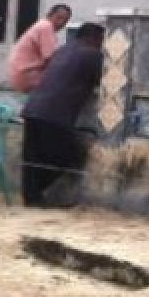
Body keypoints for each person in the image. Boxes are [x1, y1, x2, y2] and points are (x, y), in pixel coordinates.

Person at [20, 22, 106, 208]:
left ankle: (32, 197)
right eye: (101, 40)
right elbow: (107, 80)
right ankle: (36, 195)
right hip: (55, 113)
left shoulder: (62, 51)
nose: (102, 44)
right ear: (93, 38)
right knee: (70, 155)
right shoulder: (93, 55)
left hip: (33, 108)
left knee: (33, 159)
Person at [7, 4, 72, 93]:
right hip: (27, 74)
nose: (61, 23)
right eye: (59, 18)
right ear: (50, 15)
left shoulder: (42, 25)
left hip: (20, 74)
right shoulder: (46, 27)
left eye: (65, 20)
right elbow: (51, 57)